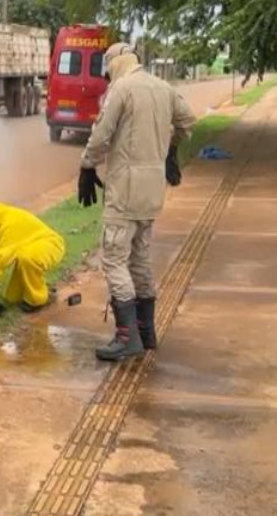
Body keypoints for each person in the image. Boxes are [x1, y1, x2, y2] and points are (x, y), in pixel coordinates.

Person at [79, 42, 196, 362]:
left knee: (114, 258)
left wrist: (87, 164)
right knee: (140, 259)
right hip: (152, 192)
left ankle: (126, 336)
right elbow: (188, 121)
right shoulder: (163, 87)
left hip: (125, 192)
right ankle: (146, 332)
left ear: (114, 64)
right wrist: (170, 150)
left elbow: (101, 135)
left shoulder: (122, 90)